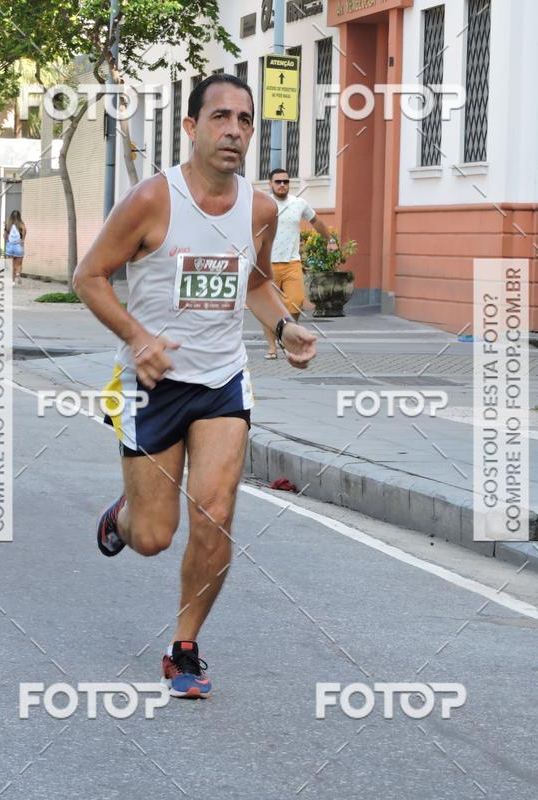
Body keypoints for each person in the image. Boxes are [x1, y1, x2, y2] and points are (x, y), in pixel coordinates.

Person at [73, 74, 317, 699]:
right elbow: (90, 276)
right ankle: (124, 515)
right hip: (151, 383)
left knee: (217, 511)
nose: (234, 130)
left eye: (244, 120)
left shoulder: (260, 209)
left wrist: (284, 326)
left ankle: (184, 648)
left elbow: (256, 282)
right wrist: (138, 338)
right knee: (154, 537)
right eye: (220, 118)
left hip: (220, 382)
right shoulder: (153, 200)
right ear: (190, 127)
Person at [262, 168, 334, 359]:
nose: (282, 185)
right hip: (267, 263)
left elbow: (316, 221)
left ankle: (285, 335)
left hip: (292, 262)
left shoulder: (299, 203)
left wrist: (330, 240)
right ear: (270, 184)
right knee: (267, 307)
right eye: (278, 182)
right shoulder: (263, 204)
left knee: (296, 303)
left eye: (285, 181)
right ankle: (272, 347)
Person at [4, 210, 27, 285]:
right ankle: (18, 274)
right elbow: (24, 230)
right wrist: (22, 240)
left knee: (12, 265)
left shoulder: (8, 224)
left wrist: (7, 241)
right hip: (18, 245)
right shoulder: (21, 224)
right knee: (19, 264)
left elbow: (4, 235)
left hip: (10, 245)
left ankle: (12, 281)